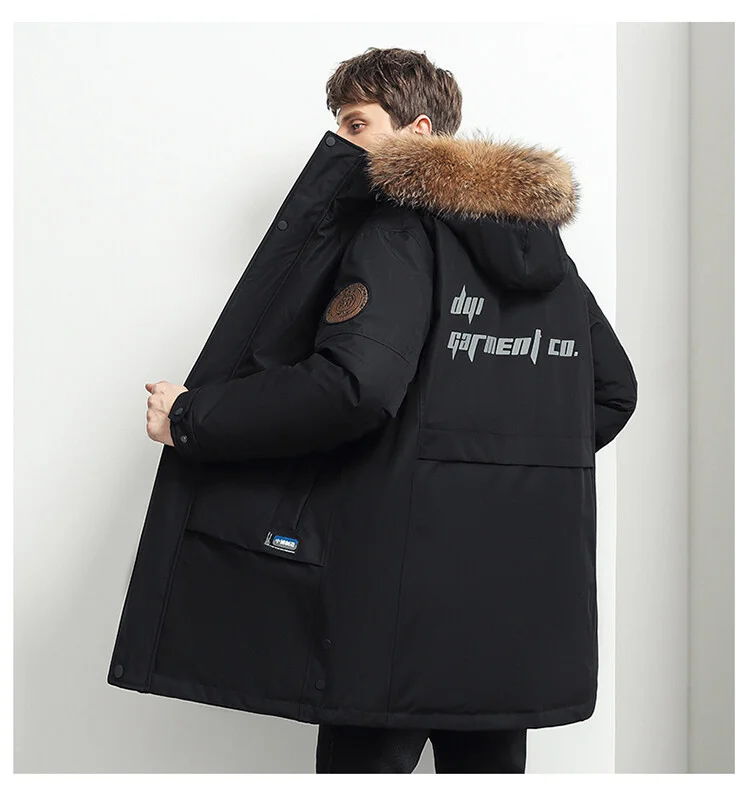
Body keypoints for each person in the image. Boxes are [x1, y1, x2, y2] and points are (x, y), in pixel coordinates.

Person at [134, 46, 637, 774]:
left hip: (393, 607)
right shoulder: (549, 259)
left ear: (419, 130)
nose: (341, 140)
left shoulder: (397, 233)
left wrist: (191, 418)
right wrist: (494, 472)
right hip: (510, 610)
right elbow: (613, 391)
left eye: (356, 123)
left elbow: (353, 387)